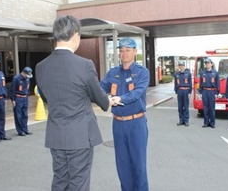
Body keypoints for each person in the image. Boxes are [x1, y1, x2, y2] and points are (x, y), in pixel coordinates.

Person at [35, 15, 112, 191]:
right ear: (75, 35)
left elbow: (46, 97)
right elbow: (99, 97)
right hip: (79, 137)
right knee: (79, 182)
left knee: (60, 179)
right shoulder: (84, 65)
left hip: (56, 135)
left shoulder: (41, 66)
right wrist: (108, 101)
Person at [100, 37, 150, 191]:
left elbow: (137, 93)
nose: (124, 53)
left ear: (135, 52)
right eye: (121, 50)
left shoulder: (142, 73)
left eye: (128, 50)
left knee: (139, 166)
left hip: (136, 124)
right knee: (122, 166)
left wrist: (119, 98)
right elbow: (100, 88)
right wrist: (104, 98)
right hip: (118, 124)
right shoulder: (113, 73)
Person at [10, 67, 33, 136]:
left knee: (25, 115)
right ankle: (20, 131)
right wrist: (13, 99)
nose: (27, 77)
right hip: (18, 98)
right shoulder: (16, 79)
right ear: (23, 73)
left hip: (25, 98)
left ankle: (25, 129)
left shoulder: (27, 79)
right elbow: (12, 90)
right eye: (26, 75)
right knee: (18, 115)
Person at [199, 58, 220, 128]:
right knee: (205, 108)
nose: (207, 64)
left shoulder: (215, 73)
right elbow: (200, 83)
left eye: (208, 63)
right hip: (205, 91)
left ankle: (212, 123)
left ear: (211, 64)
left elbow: (217, 83)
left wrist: (217, 93)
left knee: (212, 108)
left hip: (212, 91)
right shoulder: (202, 72)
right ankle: (206, 122)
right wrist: (201, 92)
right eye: (206, 63)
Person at [174, 61, 192, 126]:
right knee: (180, 106)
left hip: (186, 91)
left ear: (184, 66)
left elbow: (190, 83)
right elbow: (175, 84)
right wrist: (176, 92)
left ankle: (186, 120)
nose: (181, 67)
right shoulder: (176, 74)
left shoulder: (188, 74)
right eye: (180, 65)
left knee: (186, 106)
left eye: (182, 65)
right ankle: (181, 120)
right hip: (179, 91)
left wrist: (190, 92)